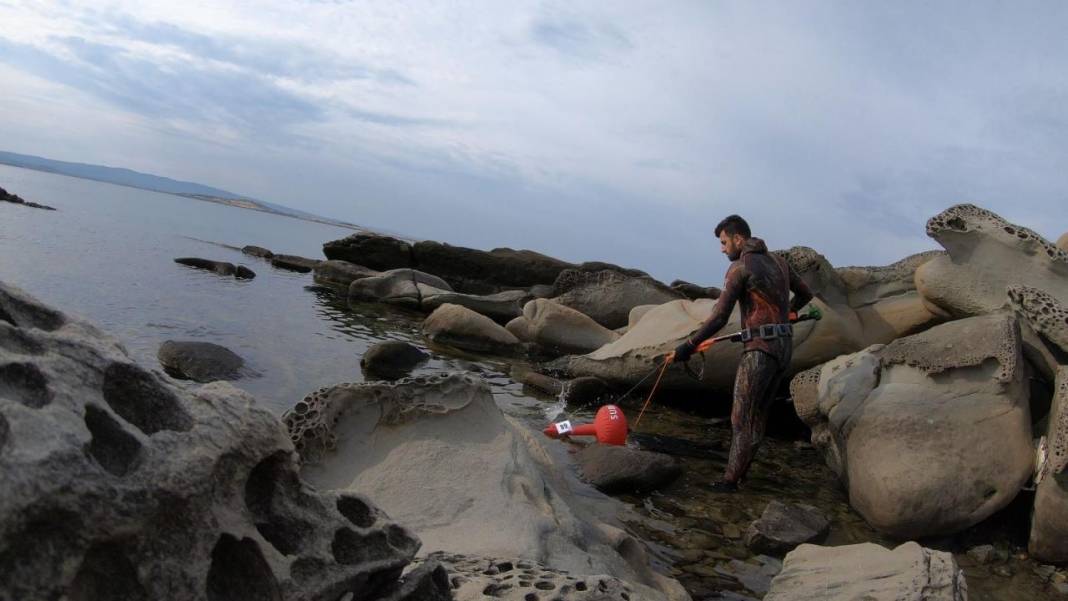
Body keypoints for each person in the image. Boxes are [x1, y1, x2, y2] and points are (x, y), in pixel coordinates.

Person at [669, 214, 813, 492]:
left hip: (760, 350)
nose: (722, 249)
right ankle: (739, 476)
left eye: (724, 242)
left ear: (738, 238)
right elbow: (806, 293)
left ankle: (729, 482)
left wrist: (687, 347)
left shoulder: (740, 267)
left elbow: (719, 317)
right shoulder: (780, 263)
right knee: (757, 416)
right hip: (784, 349)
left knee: (741, 417)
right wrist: (787, 314)